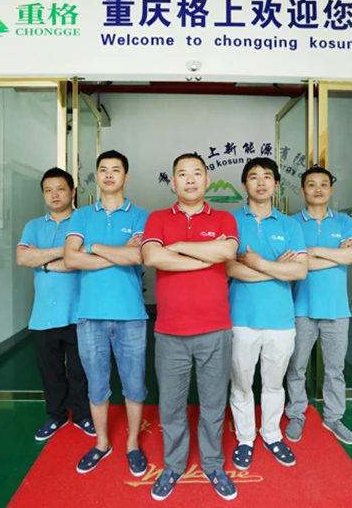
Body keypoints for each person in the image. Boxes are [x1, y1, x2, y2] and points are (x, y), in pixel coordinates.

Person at [141, 153, 240, 502]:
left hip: (215, 329)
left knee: (213, 404)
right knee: (171, 406)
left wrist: (181, 248)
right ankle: (173, 465)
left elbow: (227, 252)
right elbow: (152, 257)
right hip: (170, 332)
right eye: (182, 174)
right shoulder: (156, 218)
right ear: (173, 182)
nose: (190, 179)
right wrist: (205, 256)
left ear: (207, 180)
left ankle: (212, 464)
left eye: (197, 173)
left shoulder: (225, 218)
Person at [63, 150, 150, 476]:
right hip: (90, 316)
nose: (109, 174)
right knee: (96, 385)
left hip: (131, 315)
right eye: (103, 169)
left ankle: (132, 444)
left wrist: (93, 247)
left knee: (134, 385)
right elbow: (70, 259)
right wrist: (119, 252)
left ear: (125, 176)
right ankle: (101, 443)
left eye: (116, 169)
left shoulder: (141, 216)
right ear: (97, 176)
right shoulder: (82, 216)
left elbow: (138, 257)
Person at [225, 157, 308, 470]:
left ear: (276, 184)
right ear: (244, 184)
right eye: (253, 176)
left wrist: (257, 263)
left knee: (274, 384)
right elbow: (229, 268)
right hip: (241, 319)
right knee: (241, 384)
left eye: (267, 176)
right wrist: (277, 269)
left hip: (280, 321)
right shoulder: (231, 222)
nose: (260, 182)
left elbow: (299, 271)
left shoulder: (290, 226)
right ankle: (245, 438)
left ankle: (271, 433)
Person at [284, 166, 352, 446]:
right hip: (301, 308)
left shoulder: (344, 221)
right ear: (302, 190)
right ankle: (296, 414)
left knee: (335, 369)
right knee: (296, 367)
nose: (318, 189)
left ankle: (333, 417)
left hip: (337, 309)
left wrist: (313, 252)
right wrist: (336, 256)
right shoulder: (291, 223)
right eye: (311, 184)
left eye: (323, 184)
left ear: (330, 189)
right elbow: (293, 264)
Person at [16, 167, 94, 442]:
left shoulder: (86, 222)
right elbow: (23, 258)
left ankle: (82, 415)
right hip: (44, 314)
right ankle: (56, 416)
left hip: (80, 312)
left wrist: (44, 261)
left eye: (60, 189)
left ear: (73, 191)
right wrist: (67, 251)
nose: (54, 195)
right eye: (48, 190)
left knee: (80, 370)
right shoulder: (34, 226)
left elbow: (85, 259)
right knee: (50, 372)